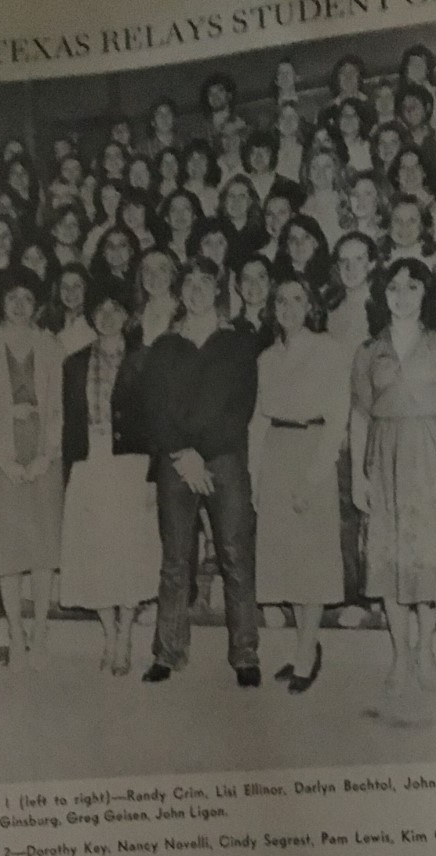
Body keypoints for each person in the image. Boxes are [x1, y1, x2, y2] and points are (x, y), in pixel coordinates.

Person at [138, 256, 260, 686]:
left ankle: (245, 654)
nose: (195, 291)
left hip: (224, 457)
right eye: (187, 283)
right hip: (176, 462)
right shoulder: (165, 346)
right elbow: (154, 408)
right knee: (175, 558)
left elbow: (240, 409)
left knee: (235, 555)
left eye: (205, 283)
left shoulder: (238, 343)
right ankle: (168, 652)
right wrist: (182, 453)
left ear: (219, 289)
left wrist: (202, 452)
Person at [351, 258, 436, 695]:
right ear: (382, 295)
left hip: (432, 453)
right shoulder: (368, 350)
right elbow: (359, 416)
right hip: (383, 457)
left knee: (429, 553)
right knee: (389, 555)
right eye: (394, 288)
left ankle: (426, 650)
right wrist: (359, 476)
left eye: (412, 287)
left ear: (426, 293)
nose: (402, 296)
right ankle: (400, 655)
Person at [248, 277, 347, 690]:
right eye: (280, 301)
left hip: (312, 451)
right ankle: (300, 644)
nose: (288, 307)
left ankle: (308, 650)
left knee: (313, 558)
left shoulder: (329, 350)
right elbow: (258, 418)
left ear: (310, 306)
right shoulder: (267, 358)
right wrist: (255, 474)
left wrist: (314, 478)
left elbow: (338, 418)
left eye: (297, 299)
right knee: (285, 558)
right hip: (276, 452)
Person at [0, 268, 64, 671]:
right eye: (11, 298)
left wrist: (47, 454)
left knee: (42, 546)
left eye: (27, 297)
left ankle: (40, 633)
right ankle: (15, 635)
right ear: (1, 304)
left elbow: (60, 407)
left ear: (37, 304)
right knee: (6, 548)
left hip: (42, 452)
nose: (20, 305)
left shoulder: (51, 346)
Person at [60, 282, 158, 675]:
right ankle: (109, 634)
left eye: (116, 309)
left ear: (128, 315)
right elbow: (70, 423)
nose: (108, 317)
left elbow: (157, 420)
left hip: (131, 464)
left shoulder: (146, 360)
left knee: (130, 551)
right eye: (100, 310)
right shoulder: (75, 362)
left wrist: (152, 475)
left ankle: (127, 633)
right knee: (94, 550)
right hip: (90, 463)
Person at [326, 231, 380, 619]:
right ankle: (353, 596)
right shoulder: (329, 310)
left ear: (373, 263)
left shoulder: (384, 308)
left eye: (358, 260)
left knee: (378, 510)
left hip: (378, 421)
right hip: (339, 423)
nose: (350, 268)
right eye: (343, 261)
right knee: (346, 510)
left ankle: (383, 593)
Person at [46, 263, 95, 356]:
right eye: (65, 287)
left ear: (86, 288)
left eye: (77, 286)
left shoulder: (94, 322)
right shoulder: (49, 320)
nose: (71, 291)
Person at [133, 248, 179, 347]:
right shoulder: (134, 318)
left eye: (162, 269)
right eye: (147, 270)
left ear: (172, 274)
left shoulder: (184, 314)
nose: (154, 276)